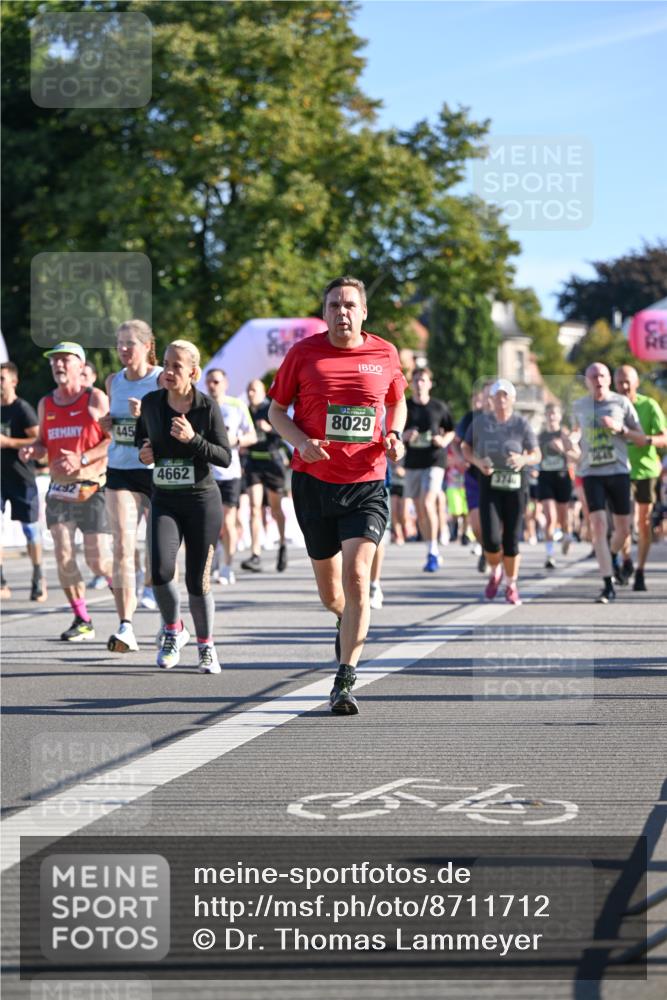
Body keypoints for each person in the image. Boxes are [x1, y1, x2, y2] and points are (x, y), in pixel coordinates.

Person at [268, 275, 407, 715]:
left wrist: (395, 434)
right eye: (334, 305)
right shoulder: (303, 354)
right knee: (332, 595)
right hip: (313, 482)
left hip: (366, 480)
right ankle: (344, 619)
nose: (342, 312)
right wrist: (300, 441)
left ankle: (345, 679)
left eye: (349, 305)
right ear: (324, 312)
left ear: (363, 312)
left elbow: (396, 401)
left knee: (358, 577)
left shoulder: (384, 353)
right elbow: (275, 411)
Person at [135, 340, 231, 673]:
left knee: (197, 581)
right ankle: (173, 630)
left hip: (202, 502)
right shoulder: (151, 403)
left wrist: (193, 439)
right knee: (160, 572)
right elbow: (141, 438)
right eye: (165, 364)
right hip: (164, 499)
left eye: (176, 366)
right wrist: (144, 452)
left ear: (193, 371)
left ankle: (206, 645)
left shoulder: (206, 407)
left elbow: (224, 456)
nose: (168, 371)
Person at [19, 342, 112, 640]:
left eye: (65, 360)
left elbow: (113, 439)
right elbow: (44, 443)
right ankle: (82, 619)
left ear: (80, 365)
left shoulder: (94, 398)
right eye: (54, 361)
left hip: (92, 487)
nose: (58, 365)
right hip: (59, 490)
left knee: (98, 561)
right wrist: (33, 450)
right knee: (62, 554)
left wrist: (83, 458)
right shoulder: (46, 403)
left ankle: (125, 601)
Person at [100, 320, 163, 653]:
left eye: (130, 343)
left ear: (147, 346)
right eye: (119, 343)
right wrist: (106, 426)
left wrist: (146, 417)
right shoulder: (113, 381)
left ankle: (169, 620)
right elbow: (115, 429)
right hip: (121, 469)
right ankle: (125, 626)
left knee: (160, 549)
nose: (123, 349)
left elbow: (175, 425)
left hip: (156, 471)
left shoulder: (162, 379)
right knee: (122, 545)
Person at [462, 378, 541, 606]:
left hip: (516, 487)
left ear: (513, 399)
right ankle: (495, 570)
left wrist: (523, 459)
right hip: (490, 486)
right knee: (492, 540)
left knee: (512, 540)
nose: (502, 399)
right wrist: (478, 462)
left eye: (506, 395)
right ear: (491, 399)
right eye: (498, 395)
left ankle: (511, 585)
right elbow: (465, 448)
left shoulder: (521, 424)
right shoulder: (480, 423)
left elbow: (537, 454)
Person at [572, 362, 645, 604]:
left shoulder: (621, 403)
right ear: (587, 381)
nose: (598, 380)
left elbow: (641, 438)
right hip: (591, 473)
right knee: (599, 526)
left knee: (623, 530)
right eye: (593, 376)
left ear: (609, 380)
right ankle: (607, 584)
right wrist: (570, 440)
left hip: (619, 472)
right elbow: (574, 432)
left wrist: (620, 428)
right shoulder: (579, 406)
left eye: (602, 375)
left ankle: (613, 555)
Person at [613, 364, 667, 591]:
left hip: (646, 471)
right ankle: (626, 560)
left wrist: (644, 440)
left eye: (628, 382)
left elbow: (664, 438)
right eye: (620, 382)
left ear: (636, 383)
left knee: (643, 523)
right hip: (619, 470)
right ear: (615, 385)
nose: (624, 386)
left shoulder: (649, 405)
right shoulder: (611, 407)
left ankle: (641, 570)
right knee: (624, 523)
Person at [204, 369, 257, 584]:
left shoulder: (236, 406)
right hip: (205, 474)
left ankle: (227, 566)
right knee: (208, 523)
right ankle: (211, 562)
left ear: (225, 383)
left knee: (227, 522)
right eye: (209, 382)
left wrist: (237, 440)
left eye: (216, 382)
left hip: (229, 473)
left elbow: (252, 435)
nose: (212, 386)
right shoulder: (200, 405)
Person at [0, 361, 46, 601]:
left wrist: (9, 443)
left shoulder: (22, 409)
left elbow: (39, 441)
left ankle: (38, 576)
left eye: (2, 379)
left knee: (30, 530)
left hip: (21, 477)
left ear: (14, 381)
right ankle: (1, 580)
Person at [402, 367, 454, 572]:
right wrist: (405, 436)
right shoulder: (405, 407)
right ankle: (431, 548)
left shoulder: (438, 407)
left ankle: (433, 551)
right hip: (413, 462)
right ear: (411, 384)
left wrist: (443, 441)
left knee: (427, 502)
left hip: (435, 460)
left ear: (430, 384)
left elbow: (451, 430)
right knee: (420, 510)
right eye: (416, 380)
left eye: (423, 380)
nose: (419, 384)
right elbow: (394, 432)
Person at [241, 378, 288, 573]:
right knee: (254, 508)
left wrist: (270, 429)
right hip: (253, 463)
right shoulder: (245, 411)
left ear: (263, 392)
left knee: (275, 509)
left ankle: (282, 544)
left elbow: (286, 433)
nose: (250, 393)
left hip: (272, 462)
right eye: (248, 390)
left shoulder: (271, 409)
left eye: (254, 390)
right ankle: (255, 554)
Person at [452, 381, 493, 574]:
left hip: (498, 478)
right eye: (486, 395)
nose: (489, 400)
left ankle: (495, 554)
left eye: (493, 395)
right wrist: (461, 458)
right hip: (474, 476)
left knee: (496, 524)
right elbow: (456, 442)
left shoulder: (506, 419)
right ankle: (485, 550)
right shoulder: (470, 418)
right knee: (476, 525)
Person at [537, 403, 579, 569]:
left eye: (554, 413)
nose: (551, 416)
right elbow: (534, 455)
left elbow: (577, 456)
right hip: (545, 478)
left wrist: (563, 450)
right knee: (550, 517)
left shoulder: (564, 434)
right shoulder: (540, 436)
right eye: (549, 413)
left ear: (560, 416)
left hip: (562, 478)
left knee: (563, 518)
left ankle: (567, 535)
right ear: (545, 416)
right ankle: (549, 555)